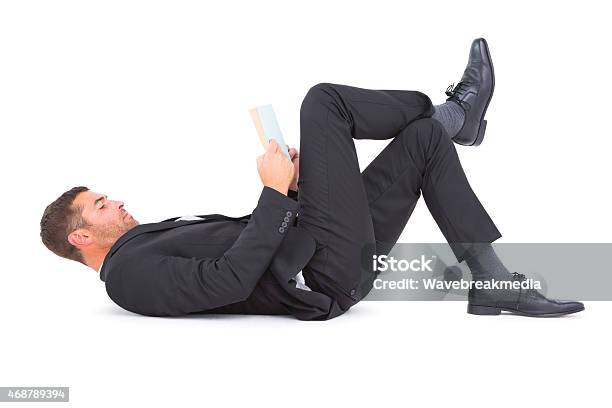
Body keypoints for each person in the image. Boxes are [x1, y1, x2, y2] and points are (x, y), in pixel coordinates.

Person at [40, 38, 584, 319]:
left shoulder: (146, 240)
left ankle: (491, 282)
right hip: (324, 271)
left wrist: (294, 190)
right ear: (80, 237)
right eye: (102, 205)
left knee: (424, 142)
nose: (118, 203)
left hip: (321, 242)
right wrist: (274, 194)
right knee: (323, 101)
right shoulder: (127, 278)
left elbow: (250, 246)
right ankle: (456, 115)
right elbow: (228, 281)